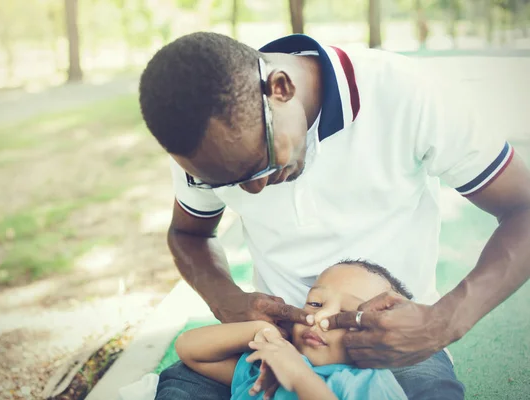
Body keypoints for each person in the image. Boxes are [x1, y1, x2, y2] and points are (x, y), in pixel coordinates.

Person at [138, 32, 530, 400]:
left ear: (281, 88)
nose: (251, 191)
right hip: (276, 337)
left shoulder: (404, 92)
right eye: (224, 182)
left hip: (388, 337)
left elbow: (523, 208)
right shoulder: (206, 148)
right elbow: (189, 234)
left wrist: (441, 323)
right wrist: (228, 302)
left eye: (258, 168)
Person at [172, 260, 410, 399]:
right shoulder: (268, 367)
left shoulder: (368, 382)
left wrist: (298, 376)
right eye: (315, 304)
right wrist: (261, 330)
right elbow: (190, 350)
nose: (322, 317)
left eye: (346, 315)